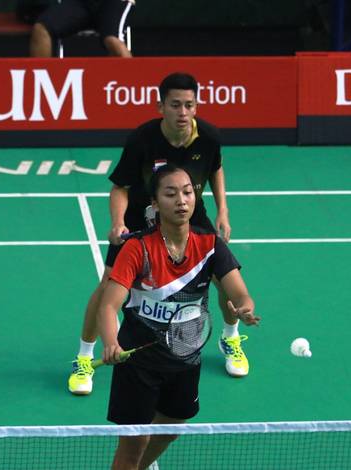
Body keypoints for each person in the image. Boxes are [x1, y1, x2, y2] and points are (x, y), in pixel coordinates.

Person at [68, 72, 251, 395]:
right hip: (141, 216)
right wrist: (118, 222)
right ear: (160, 107)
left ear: (196, 106)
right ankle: (84, 358)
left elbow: (215, 168)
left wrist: (223, 209)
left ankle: (231, 337)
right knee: (109, 284)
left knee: (223, 278)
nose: (183, 112)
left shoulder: (208, 136)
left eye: (189, 105)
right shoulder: (143, 139)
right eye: (175, 105)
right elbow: (120, 187)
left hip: (190, 214)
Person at [99, 165, 260, 469]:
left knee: (171, 429)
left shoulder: (209, 245)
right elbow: (108, 305)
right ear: (155, 203)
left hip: (185, 359)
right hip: (138, 364)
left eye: (187, 192)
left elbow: (240, 293)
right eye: (171, 194)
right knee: (134, 444)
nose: (182, 200)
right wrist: (110, 342)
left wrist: (244, 307)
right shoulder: (137, 248)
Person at [29, 0, 134, 58]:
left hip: (114, 2)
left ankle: (133, 87)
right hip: (81, 3)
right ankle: (41, 85)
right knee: (41, 29)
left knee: (114, 42)